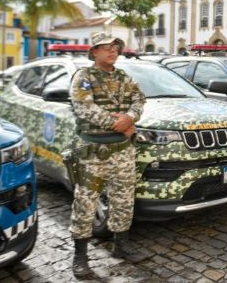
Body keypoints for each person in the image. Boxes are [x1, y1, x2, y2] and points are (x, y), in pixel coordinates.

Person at [69, 32, 145, 278]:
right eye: (106, 47)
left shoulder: (124, 77)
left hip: (122, 151)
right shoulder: (84, 77)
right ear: (94, 52)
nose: (113, 51)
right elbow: (84, 108)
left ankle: (120, 246)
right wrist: (120, 124)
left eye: (115, 47)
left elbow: (139, 99)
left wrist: (130, 117)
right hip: (93, 151)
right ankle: (80, 256)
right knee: (85, 202)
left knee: (123, 200)